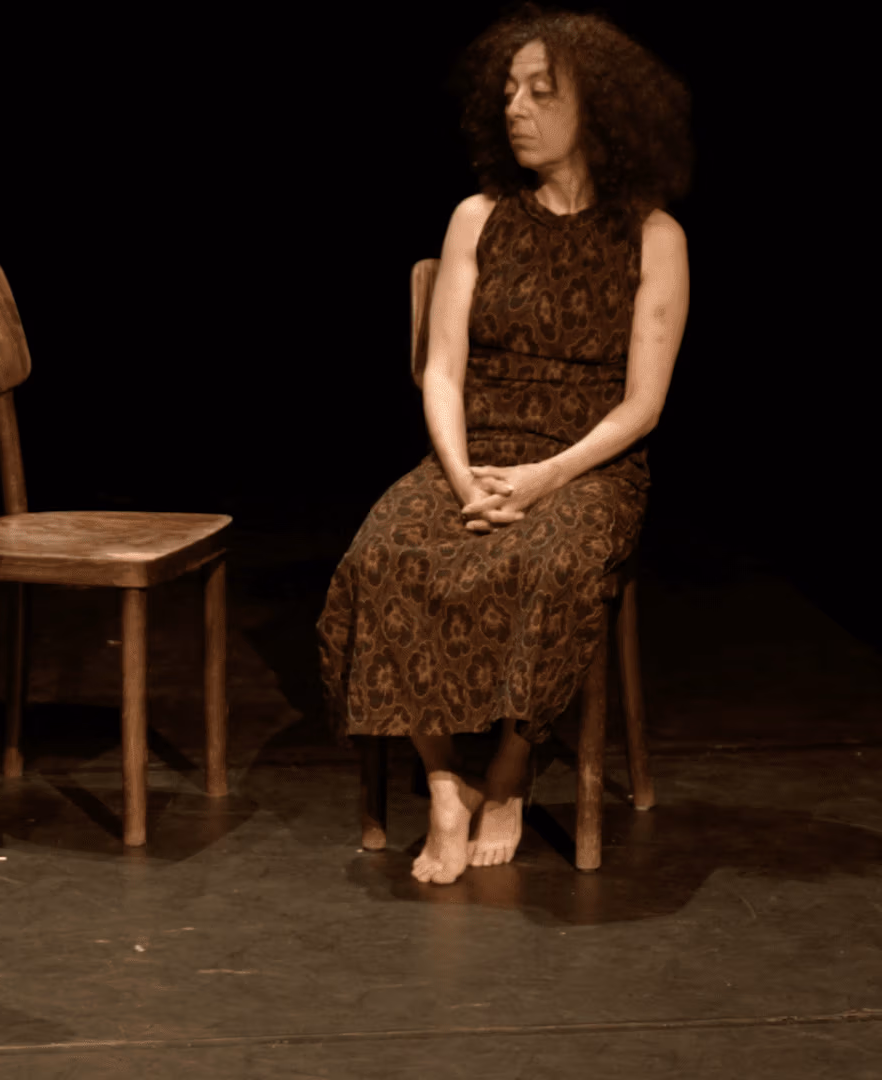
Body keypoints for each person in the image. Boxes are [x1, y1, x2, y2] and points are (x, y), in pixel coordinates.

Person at [316, 4, 693, 885]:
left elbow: (643, 405)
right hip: (476, 451)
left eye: (539, 91)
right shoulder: (477, 218)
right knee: (384, 554)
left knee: (553, 564)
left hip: (586, 463)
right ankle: (446, 783)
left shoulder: (654, 236)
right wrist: (461, 479)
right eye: (510, 90)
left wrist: (541, 478)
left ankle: (513, 770)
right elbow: (442, 369)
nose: (514, 107)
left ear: (597, 109)